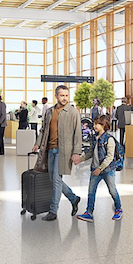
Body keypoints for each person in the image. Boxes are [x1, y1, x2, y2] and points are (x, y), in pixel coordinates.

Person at [32, 85, 82, 221]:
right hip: (50, 150)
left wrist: (77, 152)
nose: (65, 98)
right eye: (62, 95)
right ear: (56, 96)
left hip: (64, 151)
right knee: (54, 179)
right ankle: (73, 198)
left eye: (66, 95)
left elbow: (78, 133)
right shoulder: (49, 112)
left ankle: (53, 211)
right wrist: (37, 143)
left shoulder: (73, 112)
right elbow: (43, 130)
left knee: (56, 180)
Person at [76, 115, 123, 223]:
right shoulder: (94, 138)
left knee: (112, 190)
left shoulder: (109, 139)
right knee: (91, 192)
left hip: (107, 170)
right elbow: (91, 152)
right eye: (94, 123)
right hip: (95, 169)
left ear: (103, 125)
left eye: (97, 123)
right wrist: (81, 159)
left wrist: (100, 169)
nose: (94, 125)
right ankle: (89, 212)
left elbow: (110, 157)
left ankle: (118, 209)